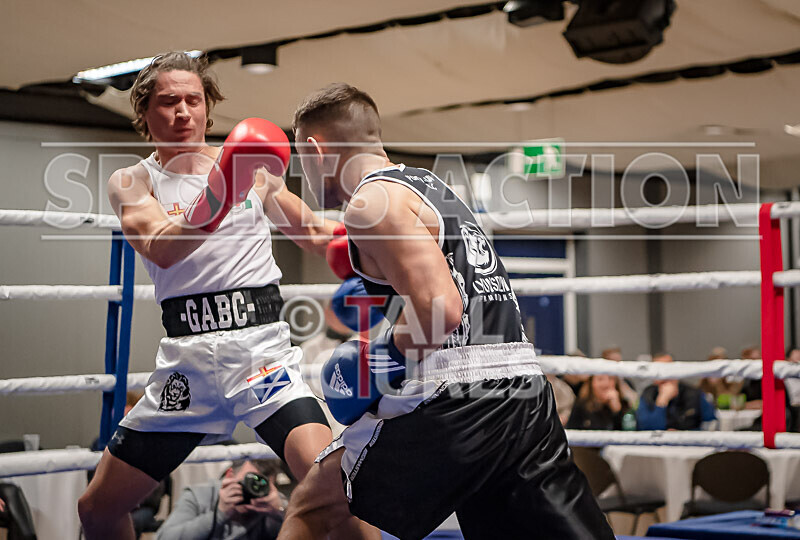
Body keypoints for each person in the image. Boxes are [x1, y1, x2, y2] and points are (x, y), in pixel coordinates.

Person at [278, 83, 614, 539]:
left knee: (315, 507)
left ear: (316, 151)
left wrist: (375, 361)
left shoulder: (369, 204)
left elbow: (441, 310)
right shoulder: (429, 187)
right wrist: (266, 191)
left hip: (456, 395)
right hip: (522, 390)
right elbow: (325, 237)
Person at [78, 53, 375, 540]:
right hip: (187, 364)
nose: (182, 112)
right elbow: (160, 247)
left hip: (260, 356)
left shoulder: (254, 172)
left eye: (193, 100)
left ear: (208, 108)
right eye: (168, 101)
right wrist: (222, 187)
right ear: (144, 112)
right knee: (96, 508)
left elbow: (315, 232)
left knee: (338, 490)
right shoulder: (134, 181)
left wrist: (390, 231)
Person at [156, 459, 286, 540]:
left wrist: (281, 512)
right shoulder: (200, 495)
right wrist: (220, 513)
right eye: (248, 481)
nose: (253, 492)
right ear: (230, 475)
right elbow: (164, 537)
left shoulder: (273, 503)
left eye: (261, 487)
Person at [637, 353, 716, 430]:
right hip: (659, 442)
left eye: (668, 368)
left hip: (688, 441)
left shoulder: (694, 394)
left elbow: (711, 424)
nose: (664, 375)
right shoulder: (648, 394)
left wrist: (682, 436)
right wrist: (662, 401)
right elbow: (645, 428)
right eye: (659, 370)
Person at [566, 375, 631, 431]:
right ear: (592, 383)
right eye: (600, 379)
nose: (606, 383)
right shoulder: (581, 405)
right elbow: (571, 434)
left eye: (610, 378)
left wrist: (617, 412)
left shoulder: (624, 405)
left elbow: (628, 436)